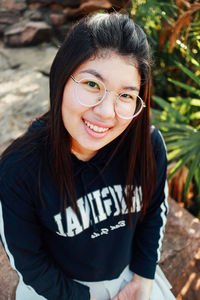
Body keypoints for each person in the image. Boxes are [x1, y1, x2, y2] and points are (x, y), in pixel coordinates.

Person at [0, 13, 176, 300]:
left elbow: (154, 211)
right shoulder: (19, 170)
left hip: (129, 280)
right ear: (60, 79)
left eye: (126, 96)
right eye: (92, 85)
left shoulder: (148, 146)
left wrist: (144, 278)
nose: (107, 112)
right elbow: (28, 262)